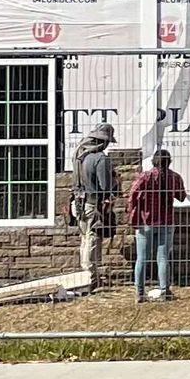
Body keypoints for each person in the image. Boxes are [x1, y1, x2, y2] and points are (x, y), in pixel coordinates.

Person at [127, 148, 187, 302]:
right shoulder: (174, 177)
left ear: (153, 161)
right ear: (169, 162)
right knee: (163, 258)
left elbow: (132, 193)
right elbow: (181, 197)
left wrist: (134, 209)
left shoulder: (145, 177)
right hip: (166, 222)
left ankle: (139, 294)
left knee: (142, 258)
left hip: (146, 221)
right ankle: (164, 291)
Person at [68, 122, 118, 286]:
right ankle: (90, 278)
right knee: (92, 239)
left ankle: (88, 274)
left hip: (78, 203)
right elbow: (105, 187)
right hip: (93, 204)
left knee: (85, 239)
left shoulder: (79, 157)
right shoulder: (101, 159)